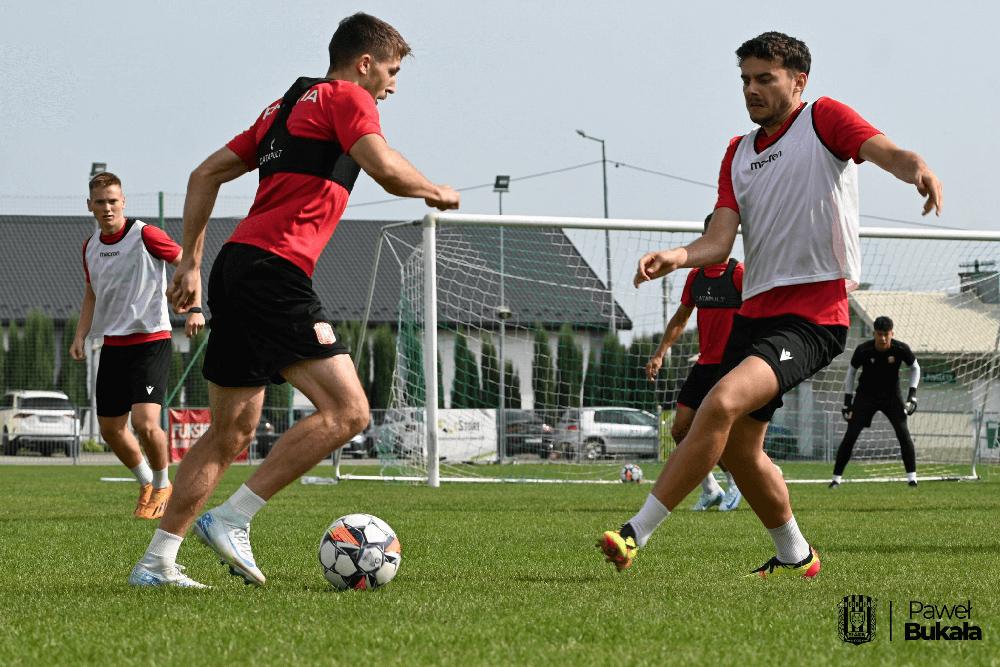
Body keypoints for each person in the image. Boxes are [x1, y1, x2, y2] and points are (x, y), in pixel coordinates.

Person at [130, 13, 459, 588]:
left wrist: (190, 260)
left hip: (238, 267)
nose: (392, 84)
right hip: (275, 271)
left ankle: (157, 562)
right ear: (364, 63)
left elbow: (204, 173)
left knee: (230, 429)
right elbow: (384, 169)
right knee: (349, 411)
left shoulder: (284, 107)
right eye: (391, 69)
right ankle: (233, 518)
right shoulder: (348, 98)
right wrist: (436, 190)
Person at [598, 31, 942, 579]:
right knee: (738, 451)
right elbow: (719, 241)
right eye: (745, 81)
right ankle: (797, 555)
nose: (752, 90)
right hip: (753, 314)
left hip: (813, 316)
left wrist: (916, 168)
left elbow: (885, 151)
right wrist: (678, 256)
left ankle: (635, 532)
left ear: (798, 81)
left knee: (719, 404)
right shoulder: (736, 154)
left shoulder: (822, 119)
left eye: (765, 79)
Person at [70, 172, 205, 520]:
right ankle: (146, 482)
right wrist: (80, 334)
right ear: (90, 206)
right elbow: (91, 293)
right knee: (110, 429)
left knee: (145, 423)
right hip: (113, 345)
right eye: (100, 202)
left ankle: (163, 485)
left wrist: (194, 308)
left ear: (123, 202)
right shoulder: (90, 246)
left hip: (151, 341)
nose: (107, 208)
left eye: (113, 200)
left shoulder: (144, 234)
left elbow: (189, 265)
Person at [646, 215, 744, 512]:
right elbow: (681, 318)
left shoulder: (739, 274)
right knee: (679, 430)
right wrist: (660, 352)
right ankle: (711, 489)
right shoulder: (696, 277)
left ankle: (736, 482)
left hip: (731, 368)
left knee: (718, 433)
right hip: (704, 365)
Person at [830, 316, 920, 487]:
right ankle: (835, 480)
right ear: (874, 334)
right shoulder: (864, 350)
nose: (883, 338)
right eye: (879, 334)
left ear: (892, 333)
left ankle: (912, 479)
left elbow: (915, 367)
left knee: (903, 433)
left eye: (886, 334)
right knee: (851, 435)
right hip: (866, 396)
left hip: (892, 396)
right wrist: (847, 402)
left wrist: (912, 396)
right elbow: (851, 373)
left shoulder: (900, 348)